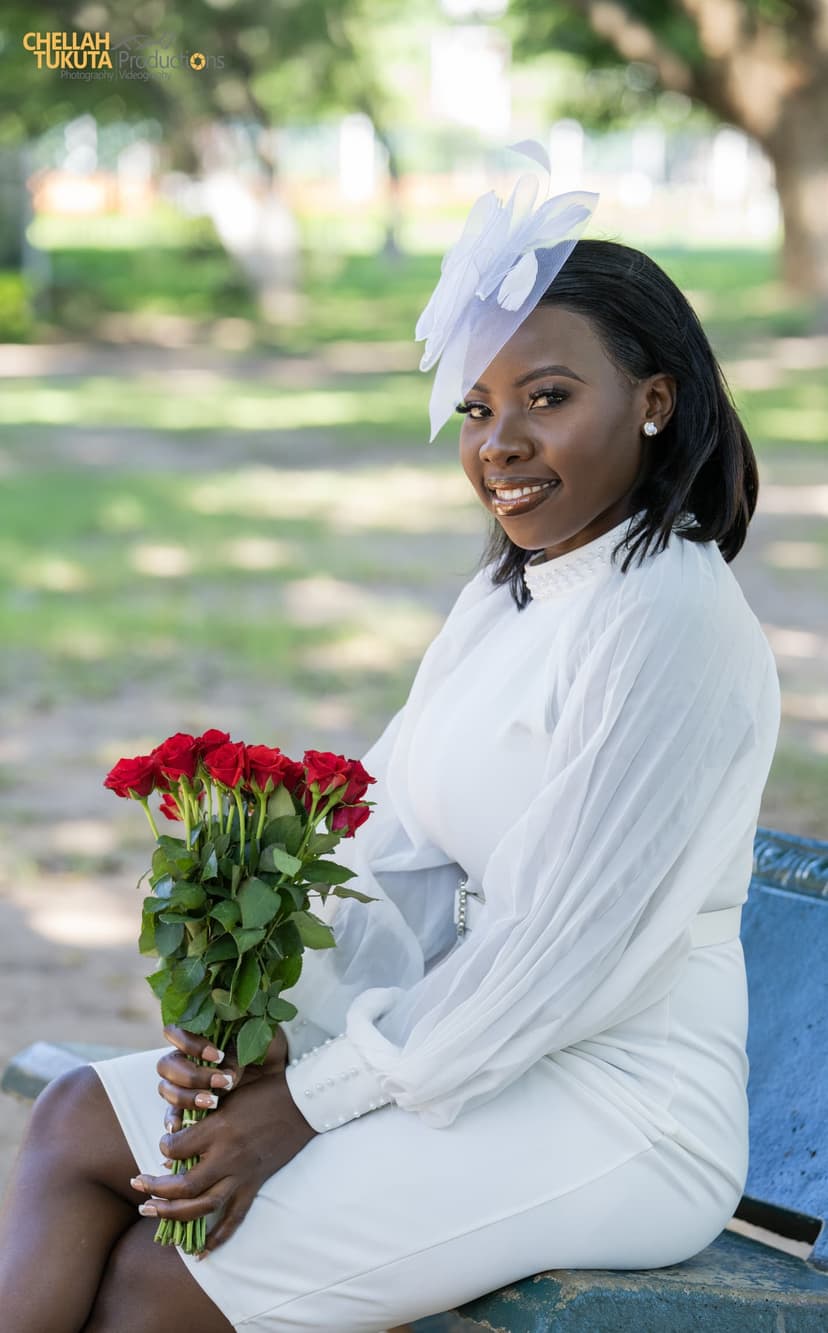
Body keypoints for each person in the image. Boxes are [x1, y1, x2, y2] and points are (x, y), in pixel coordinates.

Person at [0, 142, 781, 1333]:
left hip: (614, 1107)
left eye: (548, 397)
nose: (499, 442)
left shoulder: (668, 618)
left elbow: (554, 955)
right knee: (75, 1127)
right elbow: (392, 843)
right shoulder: (511, 595)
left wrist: (307, 1104)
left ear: (655, 400)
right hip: (465, 1052)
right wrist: (254, 1030)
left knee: (172, 1269)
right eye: (477, 407)